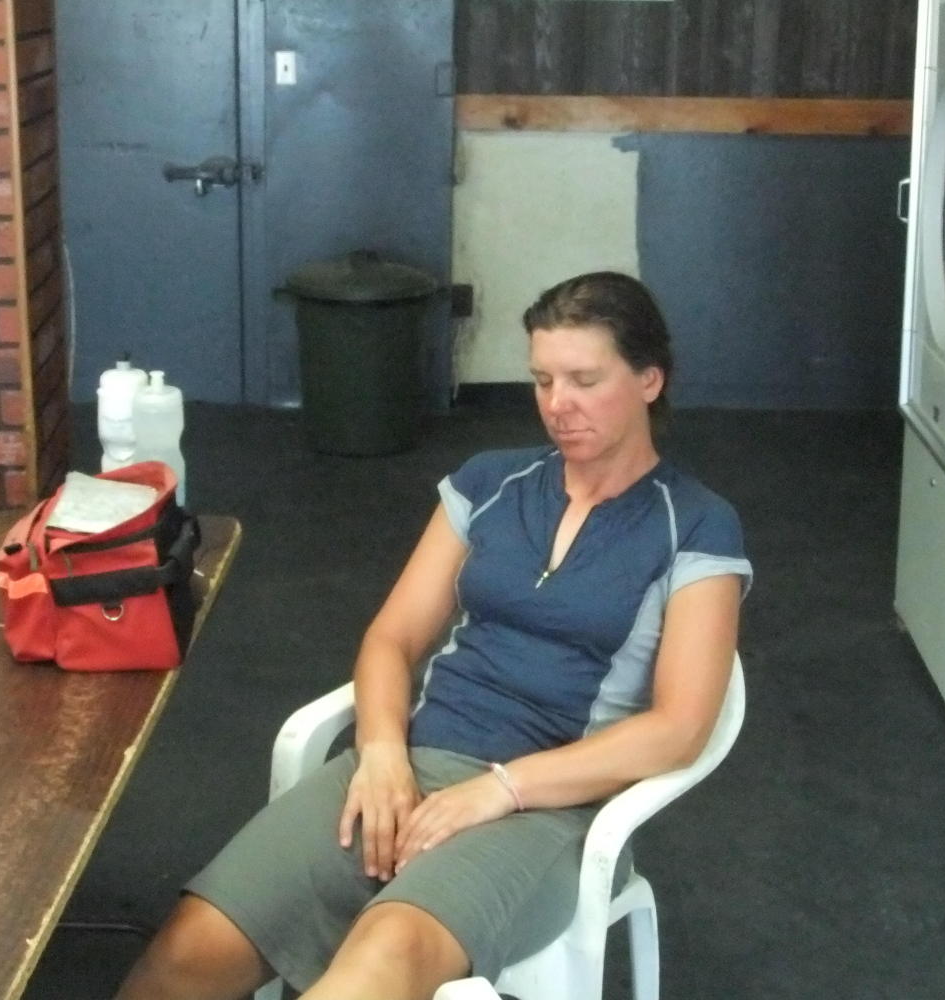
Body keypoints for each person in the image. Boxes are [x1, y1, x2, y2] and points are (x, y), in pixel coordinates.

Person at [115, 271, 752, 1000]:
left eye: (584, 380)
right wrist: (382, 754)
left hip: (554, 809)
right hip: (414, 762)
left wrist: (501, 790)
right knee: (185, 954)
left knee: (381, 963)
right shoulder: (490, 482)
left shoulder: (696, 525)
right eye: (542, 380)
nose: (557, 405)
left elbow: (678, 729)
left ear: (648, 379)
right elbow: (391, 638)